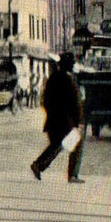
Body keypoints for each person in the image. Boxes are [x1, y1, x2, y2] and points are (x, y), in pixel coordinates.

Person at [30, 52, 85, 183]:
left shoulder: (52, 78)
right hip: (66, 121)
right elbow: (76, 102)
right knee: (75, 143)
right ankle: (72, 175)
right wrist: (78, 121)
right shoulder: (69, 80)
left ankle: (38, 165)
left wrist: (51, 113)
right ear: (70, 66)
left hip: (53, 120)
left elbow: (44, 100)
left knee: (57, 144)